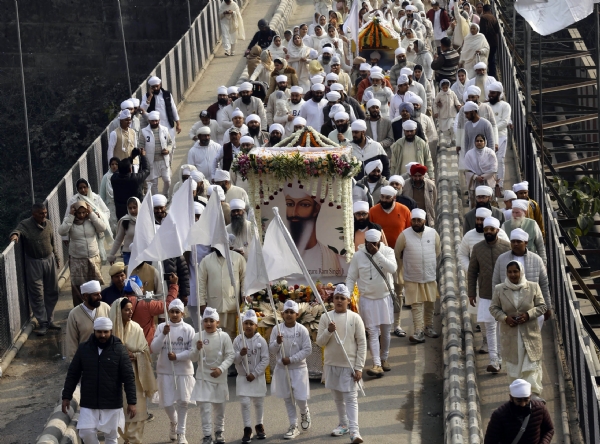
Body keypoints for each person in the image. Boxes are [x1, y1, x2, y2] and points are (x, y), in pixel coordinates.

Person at [62, 317, 137, 444]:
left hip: (112, 402)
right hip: (89, 402)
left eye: (106, 332)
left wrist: (132, 402)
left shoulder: (119, 350)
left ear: (111, 331)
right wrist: (66, 396)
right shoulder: (84, 349)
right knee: (86, 433)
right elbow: (73, 374)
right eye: (99, 332)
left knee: (111, 437)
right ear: (94, 331)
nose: (102, 335)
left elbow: (129, 377)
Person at [316, 284, 367, 444]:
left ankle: (355, 431)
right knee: (338, 398)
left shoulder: (355, 318)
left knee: (351, 398)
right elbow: (320, 342)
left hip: (349, 366)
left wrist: (359, 367)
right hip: (332, 365)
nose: (339, 301)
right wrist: (329, 330)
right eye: (337, 298)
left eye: (342, 298)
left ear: (347, 300)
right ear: (333, 300)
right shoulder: (326, 317)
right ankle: (343, 424)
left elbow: (362, 343)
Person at [490, 262, 547, 400]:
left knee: (531, 365)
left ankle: (533, 395)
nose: (513, 275)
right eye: (510, 272)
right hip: (510, 335)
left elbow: (542, 306)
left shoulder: (533, 287)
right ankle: (517, 396)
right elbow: (493, 308)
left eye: (516, 271)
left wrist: (528, 315)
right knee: (513, 367)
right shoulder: (499, 289)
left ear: (521, 272)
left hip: (530, 335)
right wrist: (505, 318)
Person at [346, 228, 396, 377]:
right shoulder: (358, 256)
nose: (371, 246)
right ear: (365, 242)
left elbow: (392, 268)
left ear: (379, 242)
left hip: (385, 297)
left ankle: (384, 358)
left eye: (374, 243)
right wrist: (347, 295)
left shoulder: (388, 251)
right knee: (373, 332)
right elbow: (351, 277)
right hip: (367, 299)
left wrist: (377, 254)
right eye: (368, 243)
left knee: (386, 332)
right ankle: (377, 364)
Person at [109, 298, 157, 444]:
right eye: (126, 310)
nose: (130, 312)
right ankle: (127, 440)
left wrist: (135, 355)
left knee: (137, 413)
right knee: (119, 416)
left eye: (131, 309)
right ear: (118, 311)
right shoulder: (109, 331)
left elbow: (145, 351)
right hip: (115, 378)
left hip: (136, 377)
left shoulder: (136, 328)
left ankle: (134, 441)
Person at [467, 217, 511, 371]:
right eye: (486, 230)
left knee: (502, 328)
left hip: (505, 294)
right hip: (485, 294)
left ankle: (501, 358)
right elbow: (472, 271)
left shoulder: (507, 247)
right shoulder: (478, 248)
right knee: (490, 327)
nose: (488, 232)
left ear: (497, 231)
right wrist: (471, 293)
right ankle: (493, 360)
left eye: (491, 230)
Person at [10, 203, 60, 335]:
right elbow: (18, 230)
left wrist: (56, 257)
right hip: (34, 262)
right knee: (37, 293)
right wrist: (15, 236)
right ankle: (42, 322)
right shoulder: (26, 224)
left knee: (52, 290)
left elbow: (52, 241)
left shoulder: (48, 224)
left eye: (45, 212)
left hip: (49, 260)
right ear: (34, 214)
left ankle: (50, 320)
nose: (44, 215)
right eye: (40, 213)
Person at [151, 299, 196, 443]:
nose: (175, 314)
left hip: (183, 370)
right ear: (168, 312)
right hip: (165, 370)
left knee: (183, 402)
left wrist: (178, 356)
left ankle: (181, 433)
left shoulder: (188, 329)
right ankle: (174, 421)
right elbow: (154, 348)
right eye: (172, 311)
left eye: (177, 312)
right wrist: (163, 334)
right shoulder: (161, 327)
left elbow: (192, 352)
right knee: (167, 402)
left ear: (182, 313)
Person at [394, 208, 441, 344]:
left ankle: (428, 327)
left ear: (424, 221)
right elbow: (397, 253)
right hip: (412, 277)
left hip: (429, 275)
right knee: (416, 305)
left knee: (430, 304)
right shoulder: (404, 235)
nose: (416, 223)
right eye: (413, 220)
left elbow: (437, 251)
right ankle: (418, 331)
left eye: (418, 220)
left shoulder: (433, 234)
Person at [190, 307, 235, 444]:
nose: (208, 324)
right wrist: (197, 349)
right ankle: (207, 435)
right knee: (205, 408)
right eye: (206, 321)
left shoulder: (224, 337)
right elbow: (192, 358)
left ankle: (219, 432)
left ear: (218, 322)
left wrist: (221, 369)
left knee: (219, 408)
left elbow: (230, 355)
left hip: (219, 378)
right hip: (203, 378)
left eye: (211, 321)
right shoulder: (198, 336)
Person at [269, 300, 312, 439]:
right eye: (286, 312)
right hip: (283, 369)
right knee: (288, 398)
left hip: (298, 368)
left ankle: (304, 412)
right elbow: (271, 349)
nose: (288, 315)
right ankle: (293, 425)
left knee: (300, 397)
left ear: (297, 314)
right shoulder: (277, 329)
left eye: (291, 312)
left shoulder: (302, 330)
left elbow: (307, 349)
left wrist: (291, 359)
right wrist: (277, 342)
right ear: (282, 314)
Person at [492, 229, 552, 328]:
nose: (515, 244)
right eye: (513, 241)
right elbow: (495, 283)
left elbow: (544, 284)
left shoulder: (537, 260)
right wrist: (498, 312)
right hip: (508, 311)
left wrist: (548, 307)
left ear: (526, 243)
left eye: (518, 242)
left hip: (532, 309)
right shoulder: (501, 259)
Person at [283, 187, 346, 277]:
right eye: (290, 204)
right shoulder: (277, 259)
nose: (294, 212)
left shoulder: (340, 263)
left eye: (304, 205)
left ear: (316, 209)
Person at [59, 201, 107, 306]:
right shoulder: (70, 221)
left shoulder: (91, 219)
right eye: (79, 213)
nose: (81, 215)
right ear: (75, 212)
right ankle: (80, 309)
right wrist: (70, 216)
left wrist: (91, 214)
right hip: (77, 258)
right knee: (79, 286)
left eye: (83, 212)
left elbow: (103, 228)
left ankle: (95, 306)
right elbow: (62, 231)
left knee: (94, 284)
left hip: (93, 256)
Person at [233, 309, 269, 443]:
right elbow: (234, 360)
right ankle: (247, 428)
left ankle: (259, 425)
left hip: (257, 377)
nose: (248, 326)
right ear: (242, 325)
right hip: (243, 377)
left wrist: (254, 373)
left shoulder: (262, 341)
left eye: (251, 323)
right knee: (245, 402)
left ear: (256, 326)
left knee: (258, 402)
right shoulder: (238, 341)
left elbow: (265, 359)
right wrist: (240, 354)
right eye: (246, 323)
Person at [198, 244, 246, 342]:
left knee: (233, 337)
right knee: (215, 338)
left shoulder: (238, 258)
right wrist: (201, 303)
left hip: (234, 306)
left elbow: (244, 279)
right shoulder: (206, 260)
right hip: (214, 307)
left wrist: (244, 295)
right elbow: (201, 283)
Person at [484, 379, 555, 443]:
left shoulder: (540, 408)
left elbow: (549, 429)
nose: (523, 404)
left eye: (526, 400)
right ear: (511, 398)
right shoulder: (499, 415)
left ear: (530, 396)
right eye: (519, 400)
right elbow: (490, 441)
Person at [64, 178, 113, 263]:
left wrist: (99, 217)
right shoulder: (74, 200)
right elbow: (67, 217)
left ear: (88, 187)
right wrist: (65, 236)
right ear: (77, 189)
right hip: (81, 229)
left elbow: (106, 211)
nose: (83, 190)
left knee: (100, 251)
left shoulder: (96, 198)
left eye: (84, 187)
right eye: (80, 188)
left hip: (97, 228)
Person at [124, 274, 179, 345]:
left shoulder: (117, 304)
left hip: (126, 346)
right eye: (141, 288)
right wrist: (174, 285)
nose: (143, 290)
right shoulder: (146, 304)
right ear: (137, 289)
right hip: (145, 345)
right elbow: (169, 305)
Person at [65, 280, 111, 360]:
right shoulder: (74, 314)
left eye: (99, 293)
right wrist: (74, 362)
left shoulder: (106, 308)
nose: (100, 297)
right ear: (85, 296)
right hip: (86, 359)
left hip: (106, 357)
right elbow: (71, 342)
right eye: (96, 295)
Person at [141, 76, 181, 157]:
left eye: (157, 86)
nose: (155, 88)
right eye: (153, 87)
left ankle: (169, 166)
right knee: (159, 147)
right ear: (150, 87)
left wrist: (178, 124)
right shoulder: (146, 96)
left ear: (160, 85)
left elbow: (173, 109)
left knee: (171, 146)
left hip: (168, 125)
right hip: (155, 127)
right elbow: (142, 110)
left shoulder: (167, 94)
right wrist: (150, 97)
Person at [139, 110, 173, 195]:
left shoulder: (164, 130)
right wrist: (142, 154)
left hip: (163, 160)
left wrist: (168, 150)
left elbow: (170, 143)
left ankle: (165, 195)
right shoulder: (144, 132)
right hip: (151, 161)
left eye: (156, 121)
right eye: (152, 121)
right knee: (154, 184)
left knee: (167, 180)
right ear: (149, 121)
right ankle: (156, 201)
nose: (154, 122)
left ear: (159, 120)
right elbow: (141, 145)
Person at [369, 186, 412, 250]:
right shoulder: (373, 211)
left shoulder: (404, 210)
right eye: (382, 197)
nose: (384, 200)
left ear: (394, 197)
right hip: (379, 250)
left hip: (400, 250)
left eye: (387, 198)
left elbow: (410, 231)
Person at [487, 82, 511, 192]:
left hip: (501, 137)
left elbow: (505, 121)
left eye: (493, 93)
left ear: (498, 94)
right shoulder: (486, 106)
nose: (490, 95)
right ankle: (490, 184)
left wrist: (492, 128)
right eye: (490, 93)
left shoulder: (505, 106)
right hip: (488, 138)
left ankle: (499, 185)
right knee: (489, 161)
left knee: (500, 160)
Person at [111, 150, 150, 220]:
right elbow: (146, 170)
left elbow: (119, 170)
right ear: (130, 169)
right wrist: (143, 156)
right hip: (135, 211)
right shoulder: (134, 179)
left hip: (120, 212)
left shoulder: (114, 178)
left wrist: (130, 158)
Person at [464, 133, 498, 207]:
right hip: (475, 182)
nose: (479, 142)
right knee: (475, 203)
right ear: (474, 142)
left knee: (489, 203)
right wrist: (476, 177)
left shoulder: (490, 153)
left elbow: (494, 169)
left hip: (488, 182)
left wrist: (483, 177)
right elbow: (467, 170)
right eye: (477, 141)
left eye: (481, 141)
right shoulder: (469, 154)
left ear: (484, 142)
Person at [401, 163, 437, 227]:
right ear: (411, 176)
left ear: (423, 175)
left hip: (426, 217)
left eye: (419, 176)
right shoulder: (404, 185)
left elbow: (433, 200)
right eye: (415, 176)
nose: (417, 178)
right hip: (410, 216)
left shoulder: (430, 185)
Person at [108, 197, 139, 266]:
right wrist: (111, 255)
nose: (132, 210)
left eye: (134, 207)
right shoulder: (125, 221)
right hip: (128, 254)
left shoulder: (145, 220)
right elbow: (118, 240)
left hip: (142, 254)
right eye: (130, 208)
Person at [433, 79, 461, 146]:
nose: (445, 89)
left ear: (449, 86)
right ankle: (448, 141)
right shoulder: (439, 95)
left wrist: (458, 106)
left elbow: (456, 100)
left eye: (446, 87)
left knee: (452, 127)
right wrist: (436, 112)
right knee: (445, 130)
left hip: (452, 114)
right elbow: (435, 103)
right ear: (441, 87)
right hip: (443, 115)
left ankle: (453, 139)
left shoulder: (452, 93)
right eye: (443, 88)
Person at [478, 4, 500, 78]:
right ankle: (493, 75)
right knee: (492, 58)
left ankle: (487, 75)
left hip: (487, 42)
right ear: (490, 10)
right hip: (494, 41)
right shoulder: (494, 18)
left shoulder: (483, 17)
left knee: (486, 58)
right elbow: (497, 30)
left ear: (483, 10)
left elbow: (483, 31)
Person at [100, 157, 120, 233]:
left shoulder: (122, 176)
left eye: (116, 164)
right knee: (112, 227)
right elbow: (102, 194)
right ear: (110, 165)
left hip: (120, 205)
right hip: (110, 206)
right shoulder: (106, 177)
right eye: (112, 164)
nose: (114, 166)